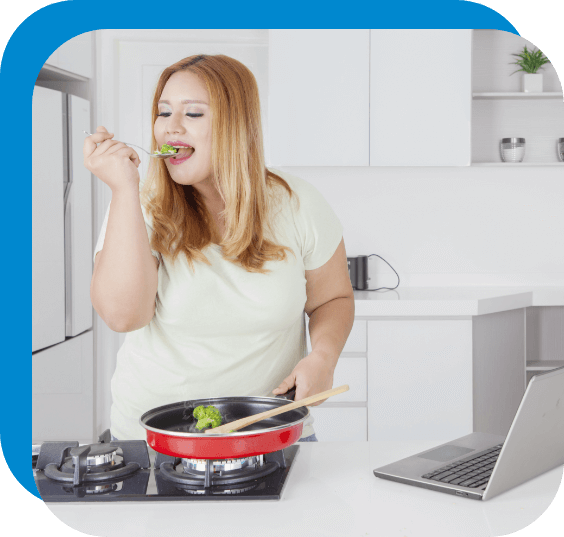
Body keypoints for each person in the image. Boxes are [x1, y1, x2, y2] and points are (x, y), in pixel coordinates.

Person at [85, 54, 355, 442]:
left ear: (237, 125)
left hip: (270, 434)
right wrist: (124, 187)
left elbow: (334, 299)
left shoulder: (298, 203)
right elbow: (123, 316)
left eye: (193, 114)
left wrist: (323, 357)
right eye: (163, 113)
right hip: (154, 442)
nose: (170, 128)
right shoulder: (138, 206)